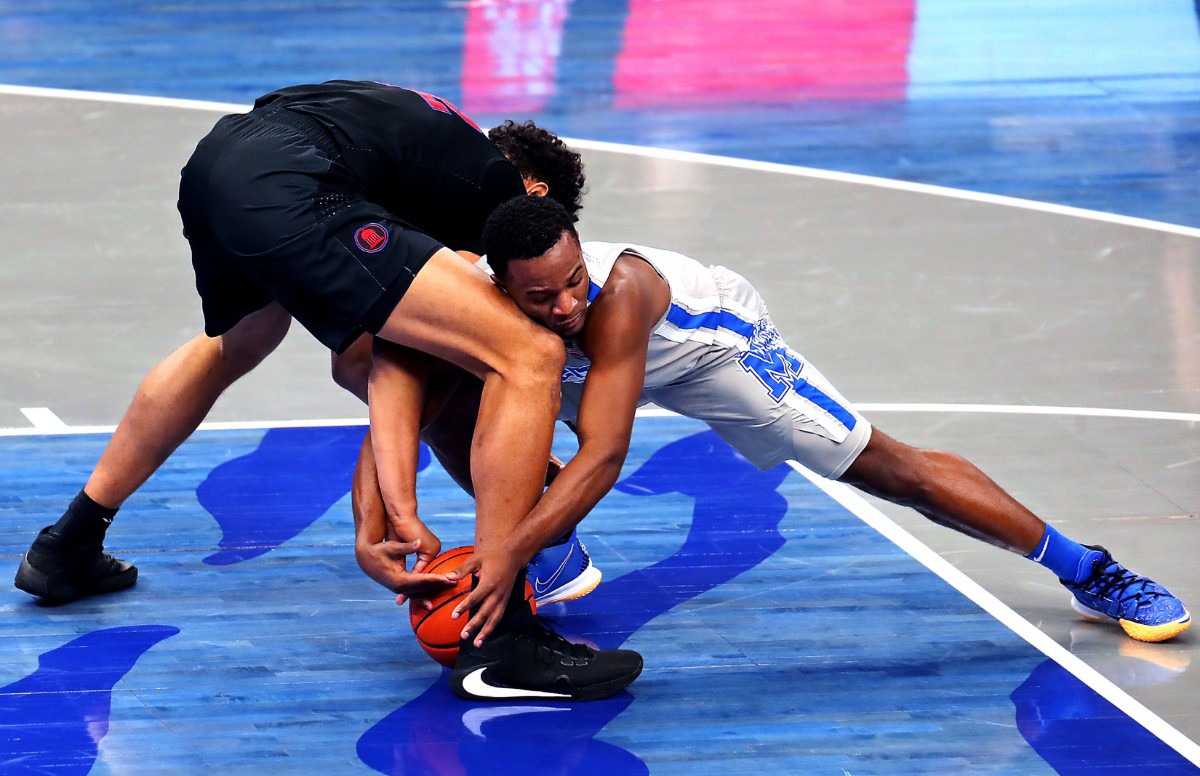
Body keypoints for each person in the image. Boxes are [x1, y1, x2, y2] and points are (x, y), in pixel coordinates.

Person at [14, 81, 641, 701]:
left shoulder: (419, 150)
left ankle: (69, 541)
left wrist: (389, 511)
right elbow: (388, 366)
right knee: (529, 354)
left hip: (218, 167)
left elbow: (381, 358)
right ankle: (502, 641)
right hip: (293, 185)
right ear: (535, 192)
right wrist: (409, 498)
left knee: (239, 340)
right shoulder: (494, 197)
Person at [364, 192, 1190, 650]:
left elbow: (606, 452)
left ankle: (1089, 569)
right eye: (543, 295)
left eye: (574, 279)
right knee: (453, 401)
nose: (568, 302)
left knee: (882, 465)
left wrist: (501, 552)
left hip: (711, 349)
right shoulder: (470, 294)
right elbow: (384, 376)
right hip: (565, 366)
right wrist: (383, 515)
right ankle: (557, 550)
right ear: (499, 288)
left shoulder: (617, 301)